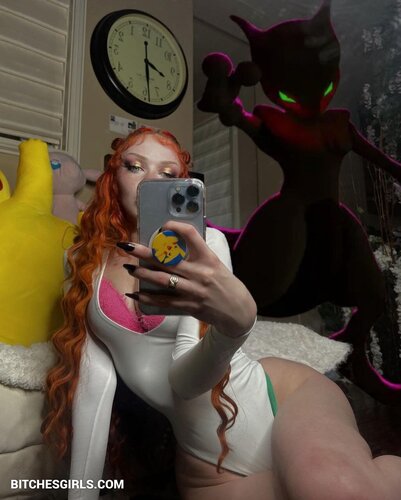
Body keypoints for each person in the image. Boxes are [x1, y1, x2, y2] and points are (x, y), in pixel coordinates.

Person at [42, 127, 401, 500]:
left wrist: (236, 328)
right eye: (135, 166)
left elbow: (187, 380)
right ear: (112, 176)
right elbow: (93, 390)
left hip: (281, 397)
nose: (151, 180)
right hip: (209, 469)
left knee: (331, 486)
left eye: (167, 174)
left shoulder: (205, 246)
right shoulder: (85, 267)